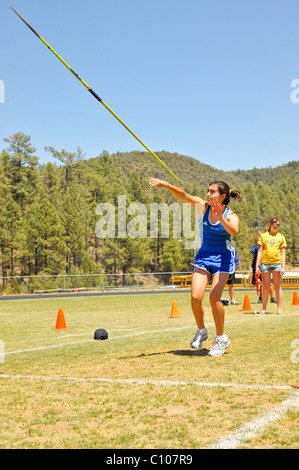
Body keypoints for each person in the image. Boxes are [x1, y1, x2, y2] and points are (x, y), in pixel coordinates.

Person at [149, 177, 242, 357]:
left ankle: (221, 337)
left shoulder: (231, 215)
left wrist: (220, 218)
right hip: (204, 256)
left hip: (223, 258)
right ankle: (201, 331)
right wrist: (166, 184)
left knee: (215, 298)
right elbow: (183, 195)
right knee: (195, 296)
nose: (207, 194)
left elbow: (234, 231)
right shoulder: (202, 206)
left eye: (212, 191)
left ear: (222, 196)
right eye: (208, 190)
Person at [255, 218, 287, 315]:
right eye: (273, 223)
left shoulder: (281, 237)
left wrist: (283, 267)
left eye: (277, 224)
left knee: (278, 287)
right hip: (265, 264)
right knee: (265, 287)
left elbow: (283, 253)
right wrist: (257, 266)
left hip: (277, 264)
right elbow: (260, 252)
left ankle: (279, 309)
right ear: (269, 224)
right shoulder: (264, 236)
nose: (275, 225)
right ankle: (264, 309)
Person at [251, 234, 276, 304]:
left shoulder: (265, 248)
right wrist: (259, 245)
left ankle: (272, 298)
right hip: (256, 267)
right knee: (258, 283)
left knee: (269, 282)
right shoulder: (254, 248)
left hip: (264, 266)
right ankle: (260, 298)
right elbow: (256, 251)